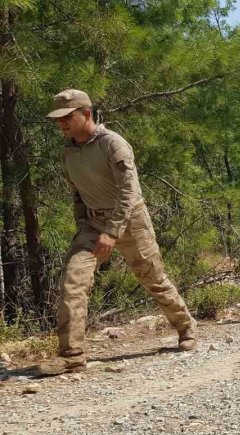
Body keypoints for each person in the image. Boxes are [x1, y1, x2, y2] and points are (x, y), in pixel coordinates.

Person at [39, 89, 197, 376]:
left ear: (86, 114)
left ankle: (186, 327)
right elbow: (77, 194)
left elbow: (129, 191)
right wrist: (84, 226)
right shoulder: (69, 152)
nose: (61, 123)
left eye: (67, 117)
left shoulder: (113, 144)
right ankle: (72, 356)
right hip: (92, 225)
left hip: (130, 221)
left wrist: (112, 231)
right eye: (58, 118)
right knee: (72, 283)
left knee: (153, 279)